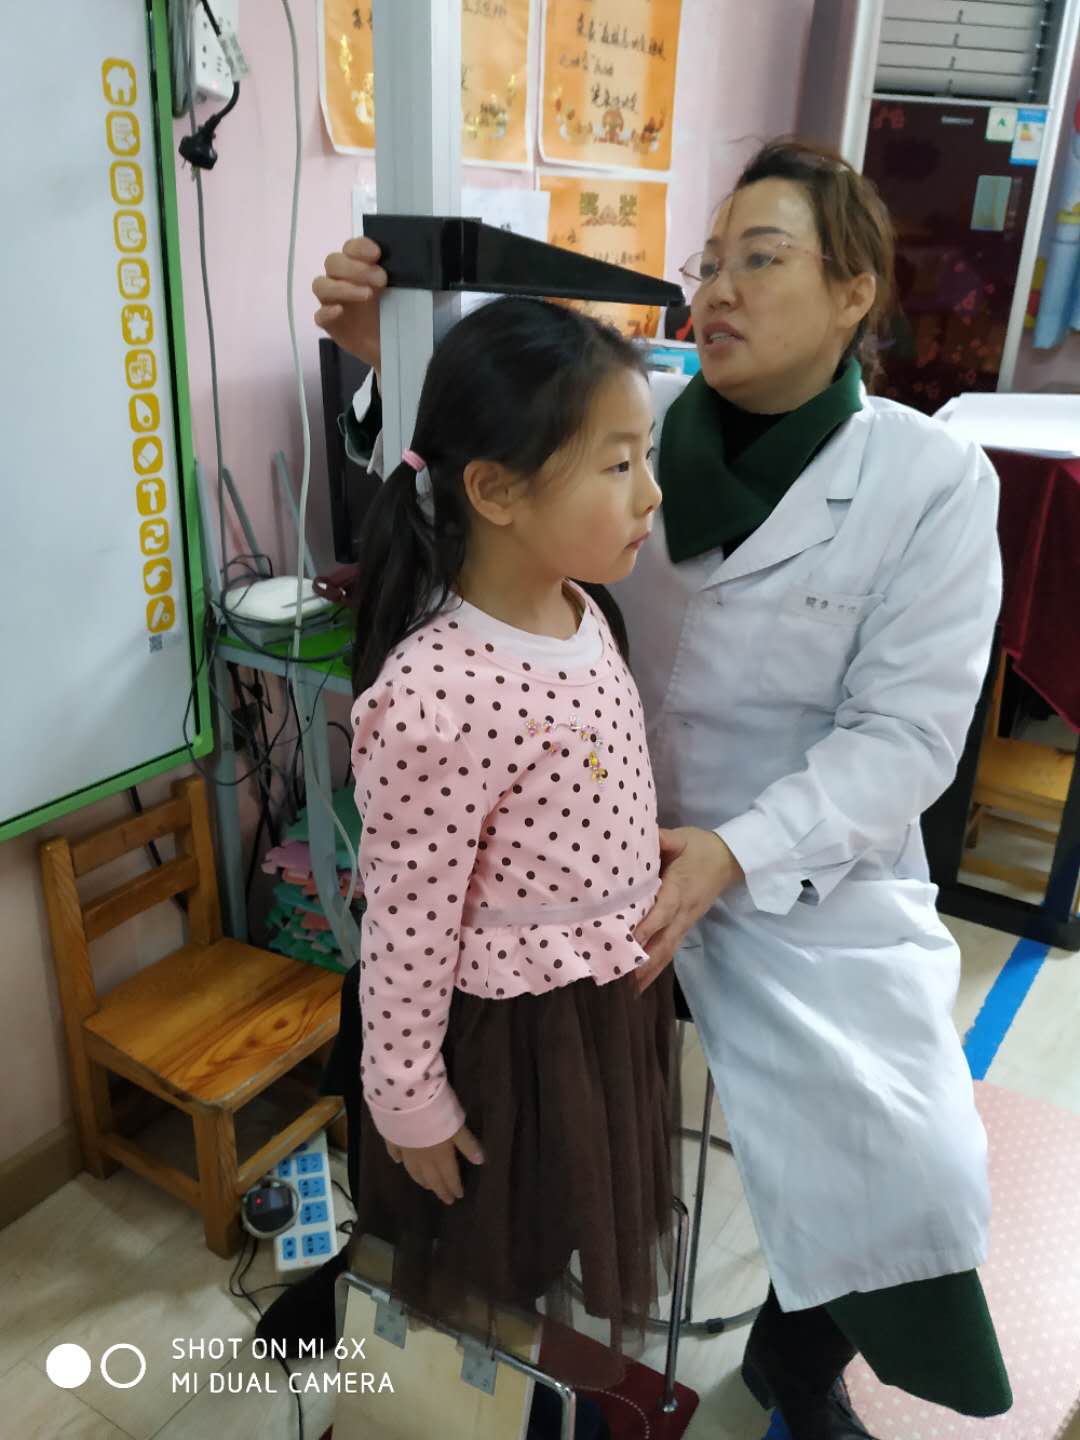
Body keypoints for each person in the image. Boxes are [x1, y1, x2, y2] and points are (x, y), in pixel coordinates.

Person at [313, 137, 1013, 1439]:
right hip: (572, 870)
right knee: (526, 1135)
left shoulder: (928, 482)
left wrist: (739, 851)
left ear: (855, 290)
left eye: (763, 258)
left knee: (907, 1147)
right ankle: (477, 1323)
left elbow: (908, 737)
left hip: (795, 860)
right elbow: (491, 457)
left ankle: (799, 1359)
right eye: (709, 261)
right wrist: (385, 352)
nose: (718, 289)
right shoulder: (635, 415)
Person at [343, 295, 678, 1410]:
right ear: (494, 490)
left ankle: (527, 1400)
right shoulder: (436, 694)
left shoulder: (584, 612)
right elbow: (405, 919)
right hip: (508, 1043)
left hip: (596, 1011)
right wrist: (406, 1096)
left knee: (563, 1230)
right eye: (619, 465)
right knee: (494, 1256)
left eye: (646, 457)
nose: (650, 494)